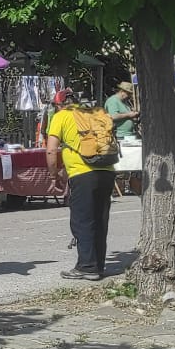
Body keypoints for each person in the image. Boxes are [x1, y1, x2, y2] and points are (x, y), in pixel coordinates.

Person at [47, 84, 118, 280]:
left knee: (83, 221)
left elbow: (52, 150)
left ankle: (87, 267)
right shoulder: (96, 113)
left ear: (59, 105)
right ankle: (98, 265)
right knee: (100, 220)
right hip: (107, 170)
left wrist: (54, 175)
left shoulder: (60, 116)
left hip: (82, 173)